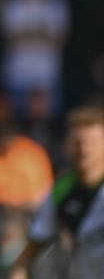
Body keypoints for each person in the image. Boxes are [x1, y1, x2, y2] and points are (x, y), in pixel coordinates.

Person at [9, 106, 104, 279]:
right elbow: (27, 255)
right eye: (78, 142)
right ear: (67, 146)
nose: (85, 150)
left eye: (92, 142)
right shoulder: (61, 190)